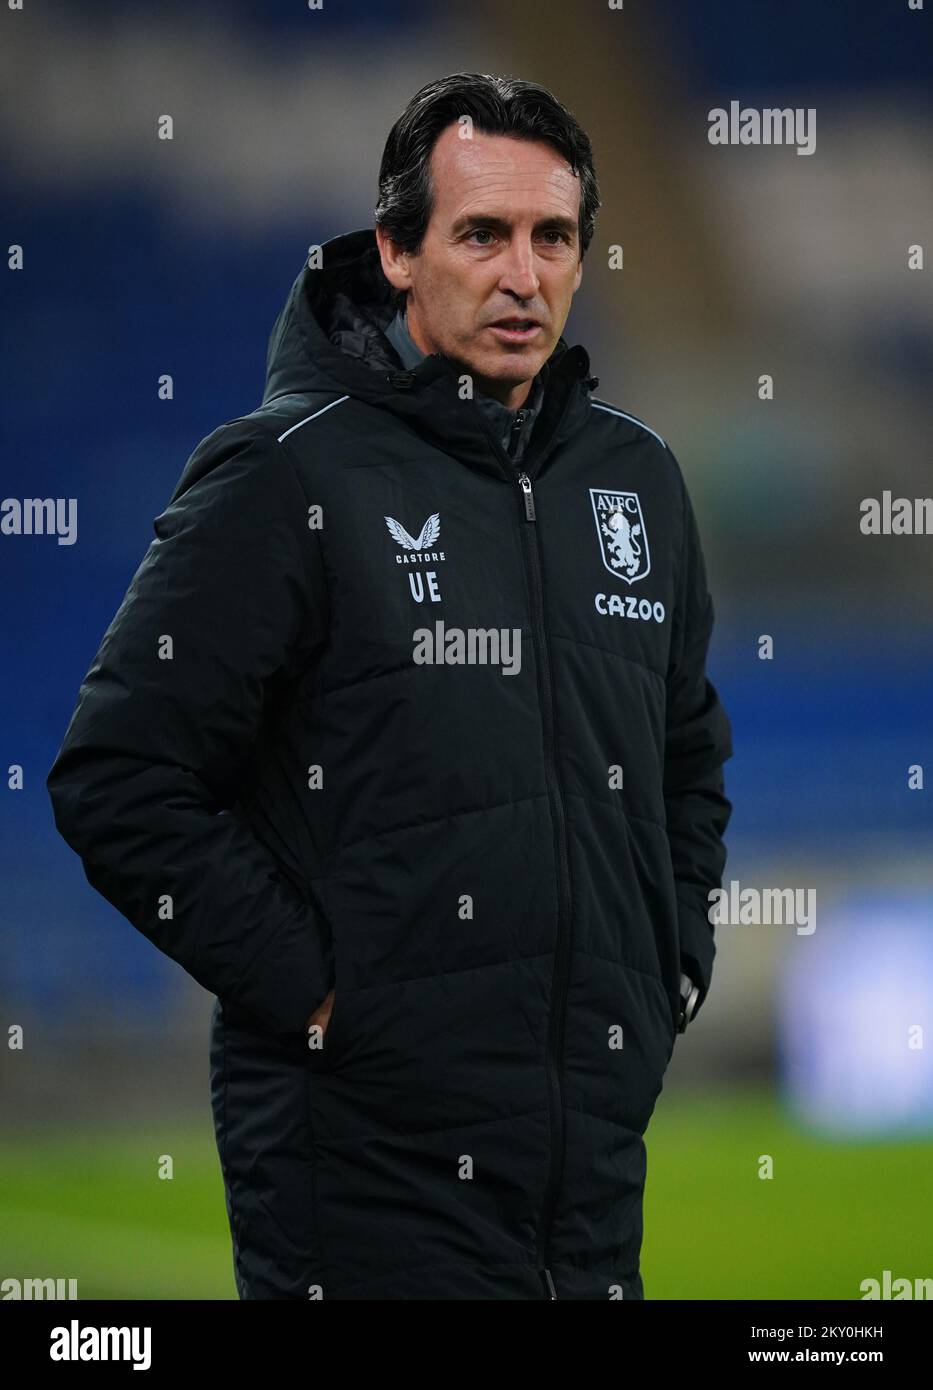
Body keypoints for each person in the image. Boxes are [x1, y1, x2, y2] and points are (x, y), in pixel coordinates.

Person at [46, 72, 733, 1300]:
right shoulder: (284, 474)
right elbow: (118, 776)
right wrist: (322, 997)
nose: (523, 272)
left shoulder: (639, 481)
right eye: (481, 233)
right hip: (364, 1178)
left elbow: (687, 747)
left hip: (587, 1175)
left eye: (553, 236)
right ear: (397, 253)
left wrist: (669, 952)